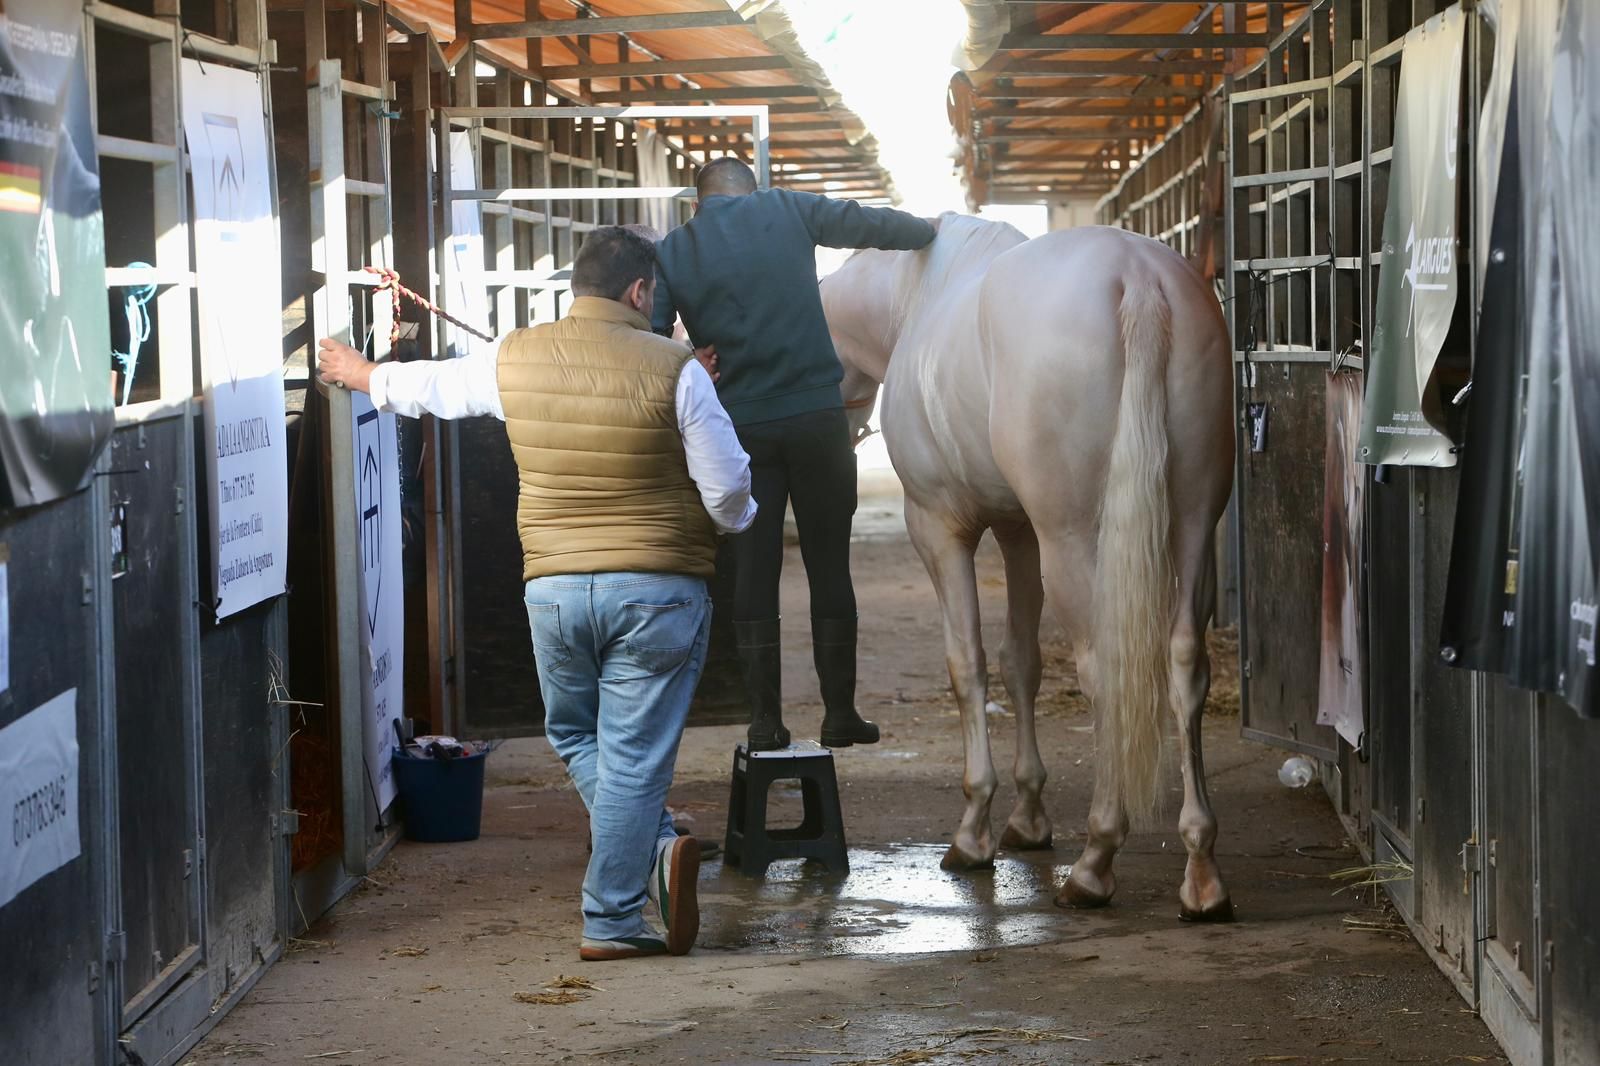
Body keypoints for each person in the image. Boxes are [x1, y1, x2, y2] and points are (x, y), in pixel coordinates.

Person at [317, 226, 756, 962]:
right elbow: (728, 490)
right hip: (657, 590)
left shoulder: (514, 355)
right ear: (639, 291)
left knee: (575, 733)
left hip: (553, 591)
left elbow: (436, 388)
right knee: (634, 756)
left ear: (577, 287)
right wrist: (733, 522)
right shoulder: (678, 368)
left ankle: (652, 851)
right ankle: (614, 914)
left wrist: (363, 375)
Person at [651, 159, 938, 752]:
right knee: (829, 564)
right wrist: (929, 230)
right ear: (750, 191)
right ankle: (840, 714)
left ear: (697, 203)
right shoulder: (787, 209)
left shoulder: (673, 250)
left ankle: (765, 722)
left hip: (738, 429)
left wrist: (687, 361)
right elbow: (871, 225)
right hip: (816, 421)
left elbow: (650, 344)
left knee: (754, 570)